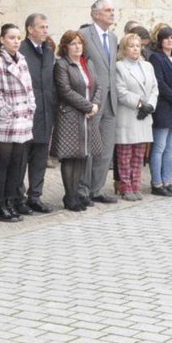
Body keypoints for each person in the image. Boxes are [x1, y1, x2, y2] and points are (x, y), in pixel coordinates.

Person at [0, 23, 37, 219]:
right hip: (6, 122)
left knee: (17, 164)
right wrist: (7, 113)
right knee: (3, 164)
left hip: (23, 121)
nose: (16, 41)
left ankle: (11, 202)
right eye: (11, 37)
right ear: (2, 39)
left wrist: (31, 108)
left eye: (18, 37)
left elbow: (29, 89)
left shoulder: (22, 60)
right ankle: (0, 207)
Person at [52, 31, 104, 211]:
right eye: (73, 43)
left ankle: (77, 195)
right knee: (70, 157)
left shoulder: (88, 63)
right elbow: (65, 91)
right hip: (70, 116)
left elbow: (98, 86)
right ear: (65, 46)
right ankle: (70, 196)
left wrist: (95, 105)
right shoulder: (62, 65)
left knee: (83, 154)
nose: (77, 47)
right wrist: (88, 106)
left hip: (88, 117)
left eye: (80, 43)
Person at [78, 0, 119, 204]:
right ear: (95, 14)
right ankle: (83, 190)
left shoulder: (112, 37)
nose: (112, 13)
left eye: (113, 10)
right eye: (108, 10)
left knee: (105, 148)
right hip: (92, 99)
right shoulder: (84, 36)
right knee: (90, 147)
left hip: (111, 100)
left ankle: (97, 188)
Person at [112, 34, 158, 200]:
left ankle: (136, 185)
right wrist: (139, 104)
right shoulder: (120, 67)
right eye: (131, 46)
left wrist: (150, 105)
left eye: (138, 46)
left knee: (139, 155)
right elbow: (121, 91)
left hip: (144, 115)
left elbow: (154, 88)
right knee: (125, 155)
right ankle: (125, 187)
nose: (135, 49)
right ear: (124, 49)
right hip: (128, 114)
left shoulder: (147, 66)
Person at [19, 13, 57, 213]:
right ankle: (18, 197)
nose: (45, 31)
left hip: (45, 111)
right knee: (22, 157)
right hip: (26, 114)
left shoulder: (48, 51)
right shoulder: (21, 50)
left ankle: (35, 196)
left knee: (40, 158)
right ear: (30, 29)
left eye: (46, 27)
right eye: (41, 27)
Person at [148, 26, 172, 196]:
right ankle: (156, 183)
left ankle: (167, 180)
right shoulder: (156, 58)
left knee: (171, 148)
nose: (170, 41)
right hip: (165, 107)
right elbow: (159, 82)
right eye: (166, 38)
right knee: (159, 147)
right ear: (160, 41)